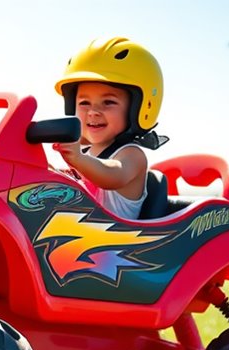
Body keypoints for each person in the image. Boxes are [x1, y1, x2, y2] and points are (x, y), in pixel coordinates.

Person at [52, 37, 168, 219]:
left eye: (108, 102)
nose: (93, 112)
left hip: (117, 245)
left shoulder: (131, 155)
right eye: (84, 102)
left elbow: (112, 175)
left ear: (138, 108)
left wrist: (78, 159)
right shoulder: (85, 153)